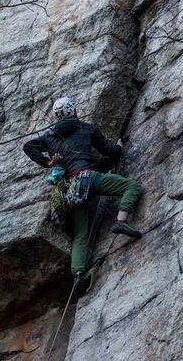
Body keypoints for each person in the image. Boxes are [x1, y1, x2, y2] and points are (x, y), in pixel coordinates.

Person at [23, 97, 143, 296]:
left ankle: (78, 274)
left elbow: (28, 146)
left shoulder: (49, 136)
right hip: (87, 178)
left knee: (80, 235)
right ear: (74, 111)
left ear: (56, 116)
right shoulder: (86, 129)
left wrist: (48, 163)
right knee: (132, 186)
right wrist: (120, 147)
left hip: (68, 190)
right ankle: (121, 221)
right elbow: (108, 151)